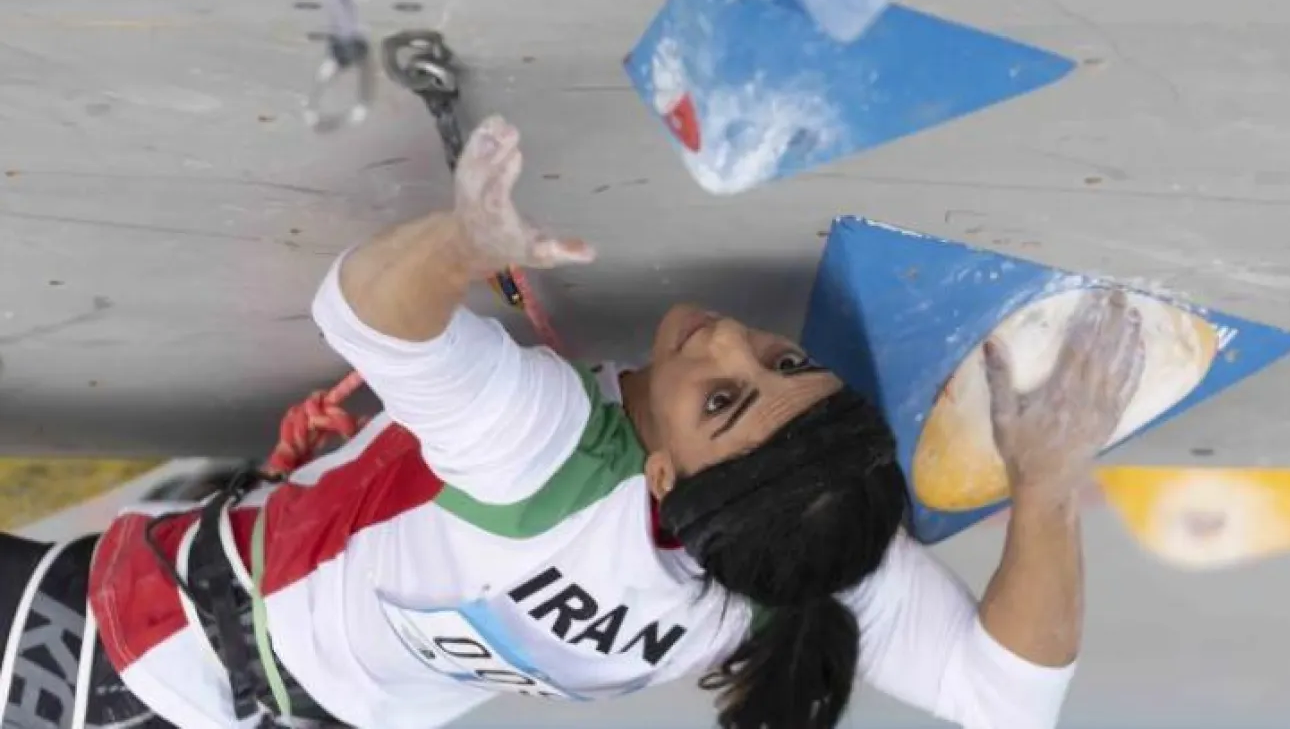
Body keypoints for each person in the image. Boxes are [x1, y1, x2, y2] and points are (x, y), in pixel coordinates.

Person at [0, 116, 1145, 729]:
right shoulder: (786, 554)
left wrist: (462, 243)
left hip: (136, 664)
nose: (726, 341)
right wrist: (1047, 483)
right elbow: (1008, 701)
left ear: (658, 474)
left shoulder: (539, 448)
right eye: (785, 359)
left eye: (723, 396)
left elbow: (362, 315)